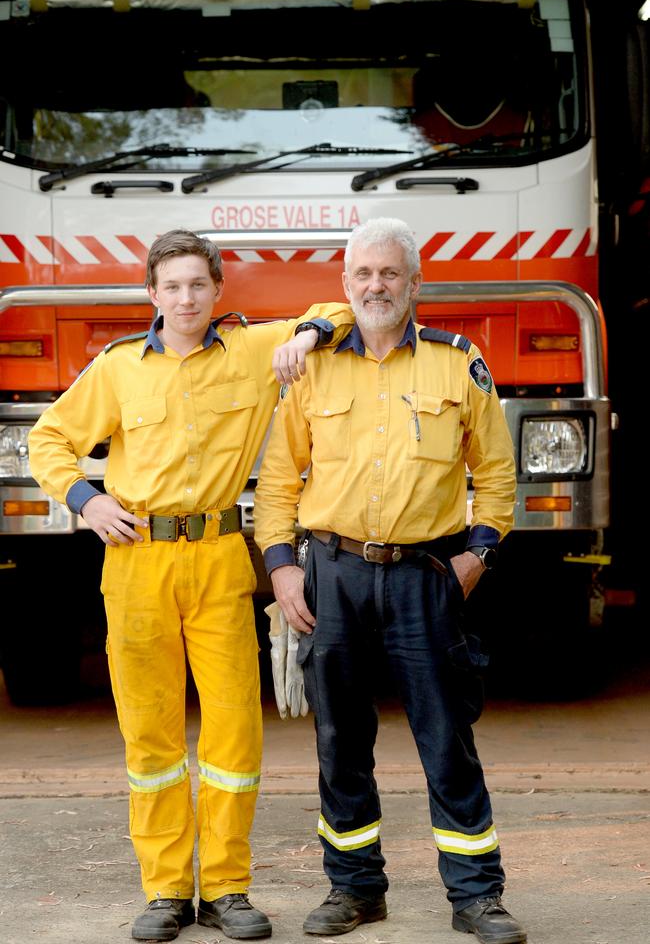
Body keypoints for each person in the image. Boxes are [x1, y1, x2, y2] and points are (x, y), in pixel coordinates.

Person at [27, 229, 353, 943]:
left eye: (197, 286)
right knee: (151, 735)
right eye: (171, 287)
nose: (185, 298)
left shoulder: (250, 352)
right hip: (138, 562)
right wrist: (88, 499)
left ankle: (230, 889)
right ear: (151, 294)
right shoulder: (117, 369)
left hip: (215, 560)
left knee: (234, 730)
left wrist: (307, 335)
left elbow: (343, 307)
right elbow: (47, 439)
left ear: (216, 293)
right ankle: (168, 889)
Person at [254, 217, 527, 943]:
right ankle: (354, 890)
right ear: (346, 286)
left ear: (415, 283)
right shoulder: (312, 366)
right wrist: (283, 570)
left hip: (424, 577)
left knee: (446, 739)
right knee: (340, 741)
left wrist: (476, 557)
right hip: (332, 575)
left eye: (390, 274)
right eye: (363, 275)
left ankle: (477, 897)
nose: (377, 286)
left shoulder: (457, 363)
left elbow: (497, 476)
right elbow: (278, 481)